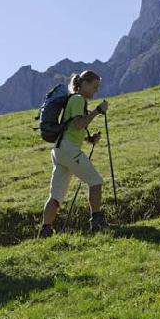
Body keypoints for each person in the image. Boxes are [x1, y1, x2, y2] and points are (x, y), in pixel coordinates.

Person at [38, 70, 112, 236]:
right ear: (84, 84)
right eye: (94, 86)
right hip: (68, 149)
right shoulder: (78, 99)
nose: (96, 91)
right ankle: (97, 222)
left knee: (56, 196)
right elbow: (78, 124)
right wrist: (97, 111)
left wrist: (90, 139)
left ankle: (45, 231)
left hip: (59, 150)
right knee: (96, 181)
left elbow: (72, 127)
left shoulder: (74, 100)